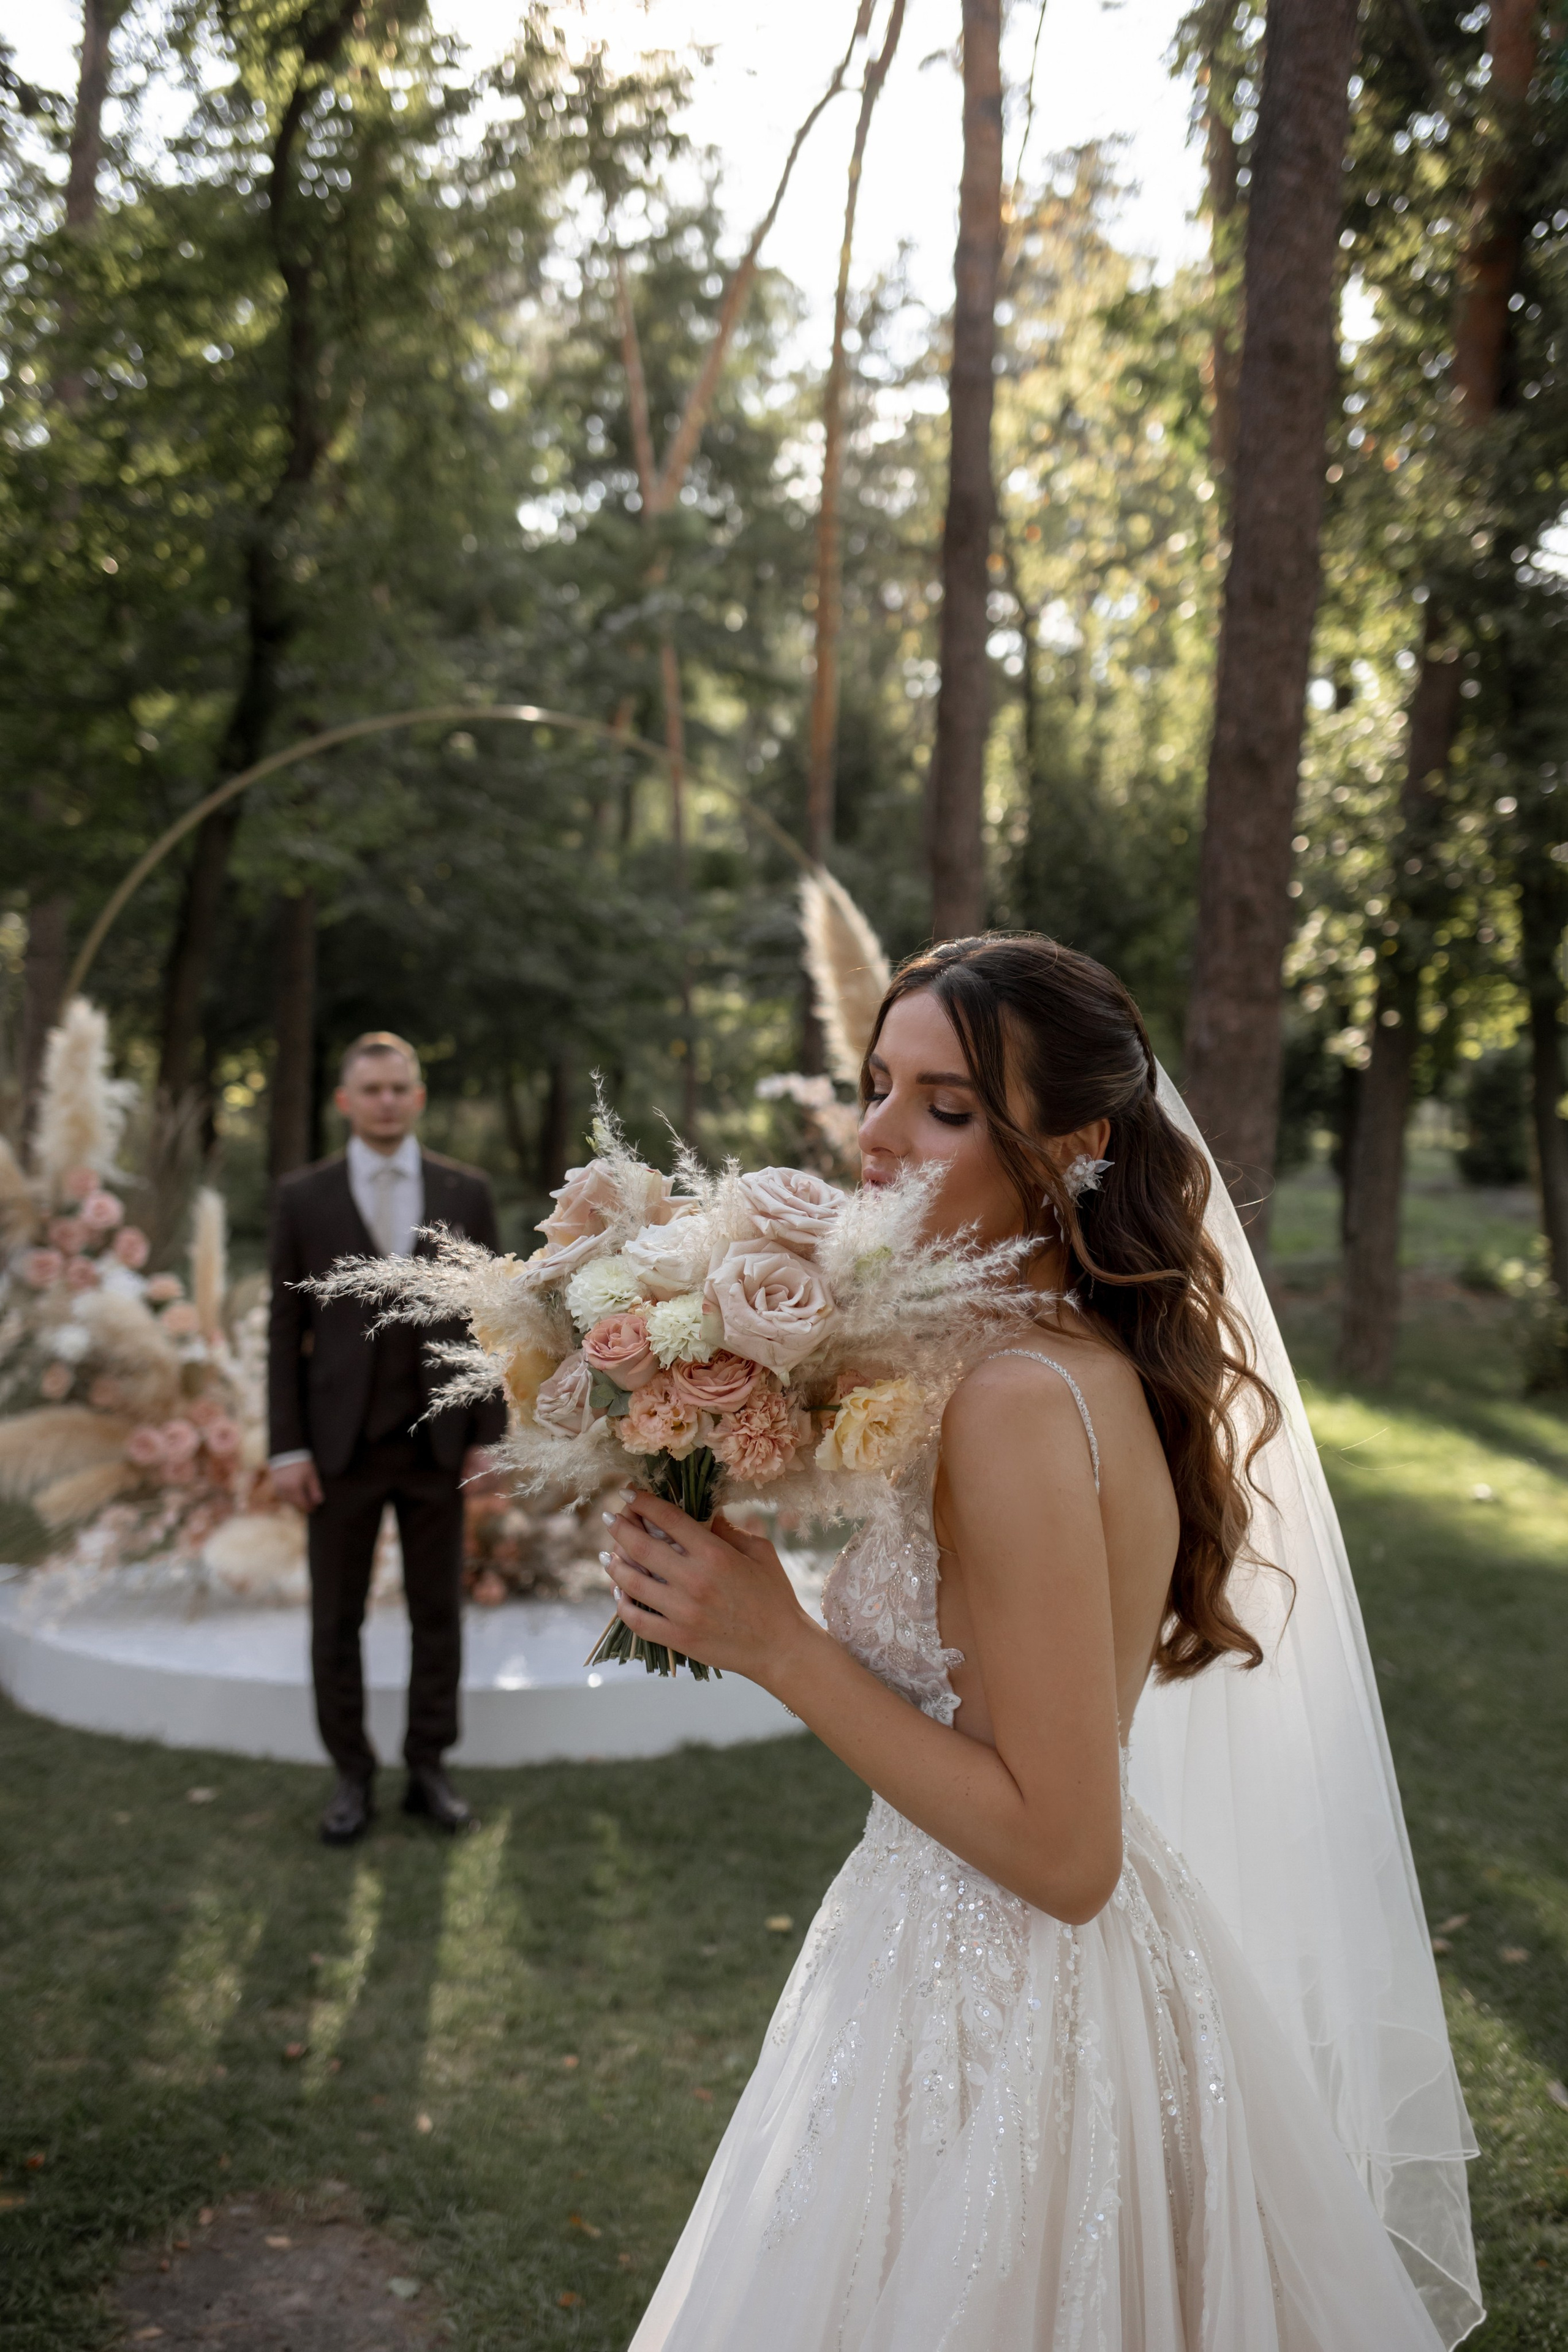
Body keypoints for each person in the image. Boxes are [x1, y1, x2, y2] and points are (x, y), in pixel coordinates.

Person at [602, 936, 1482, 2351]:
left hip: (1005, 2017)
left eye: (945, 1107)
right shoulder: (1021, 1350)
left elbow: (1068, 1859)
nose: (876, 1135)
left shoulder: (1013, 1398)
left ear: (1067, 1146)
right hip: (955, 1968)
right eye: (878, 1083)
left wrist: (777, 1644)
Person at [268, 1031, 506, 1846]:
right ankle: (352, 1775)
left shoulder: (463, 1192)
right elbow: (283, 1332)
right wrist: (286, 1447)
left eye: (399, 1087)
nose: (386, 1100)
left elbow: (490, 1323)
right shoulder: (302, 1199)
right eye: (371, 1088)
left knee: (436, 1614)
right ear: (345, 1101)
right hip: (337, 1454)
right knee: (335, 1621)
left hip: (438, 1448)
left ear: (418, 1098)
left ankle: (428, 1769)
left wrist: (490, 1436)